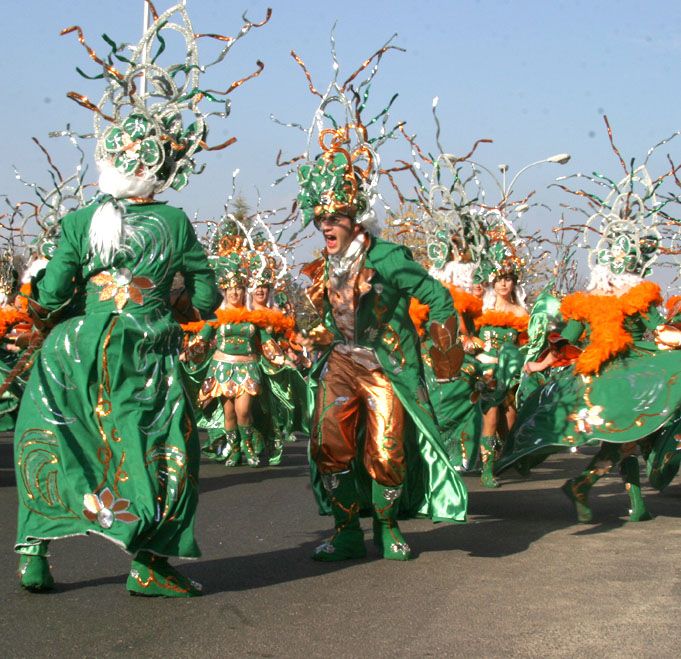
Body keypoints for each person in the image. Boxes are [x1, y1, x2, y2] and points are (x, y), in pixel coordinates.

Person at [13, 4, 266, 595]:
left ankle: (34, 554)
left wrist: (38, 286)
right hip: (143, 350)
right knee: (157, 444)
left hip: (74, 347)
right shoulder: (173, 223)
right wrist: (182, 306)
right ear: (158, 170)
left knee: (55, 436)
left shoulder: (80, 221)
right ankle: (149, 564)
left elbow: (49, 299)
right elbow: (205, 295)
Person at [298, 145, 468, 562]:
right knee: (329, 441)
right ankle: (345, 531)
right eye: (321, 219)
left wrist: (444, 352)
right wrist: (312, 333)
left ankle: (387, 525)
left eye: (334, 218)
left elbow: (438, 297)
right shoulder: (323, 265)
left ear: (355, 221)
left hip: (386, 366)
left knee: (387, 448)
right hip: (340, 362)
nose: (326, 226)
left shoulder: (388, 258)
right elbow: (320, 317)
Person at [473, 238, 529, 487]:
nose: (503, 283)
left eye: (507, 279)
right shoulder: (480, 309)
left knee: (510, 420)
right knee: (492, 416)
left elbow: (526, 345)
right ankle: (486, 470)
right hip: (485, 371)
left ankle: (507, 455)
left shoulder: (520, 313)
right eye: (498, 279)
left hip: (510, 372)